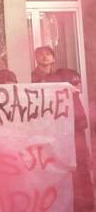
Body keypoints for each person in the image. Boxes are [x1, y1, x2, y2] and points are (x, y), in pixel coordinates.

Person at [54, 68, 94, 211]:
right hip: (74, 147)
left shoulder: (72, 98)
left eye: (78, 82)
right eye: (74, 83)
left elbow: (83, 122)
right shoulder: (70, 98)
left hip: (76, 147)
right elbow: (83, 122)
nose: (78, 87)